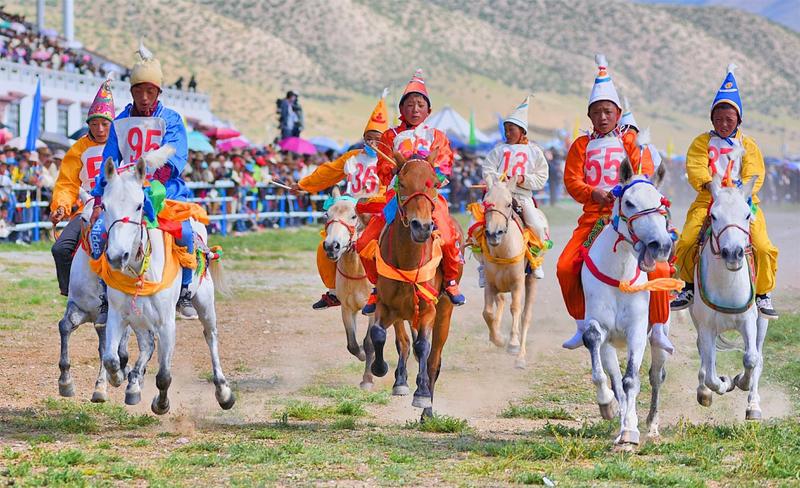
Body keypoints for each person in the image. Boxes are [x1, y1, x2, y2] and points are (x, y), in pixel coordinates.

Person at [557, 55, 674, 353]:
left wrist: (626, 193)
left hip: (630, 215)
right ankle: (582, 324)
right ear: (590, 116)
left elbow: (645, 176)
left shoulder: (630, 142)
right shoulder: (580, 145)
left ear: (618, 113)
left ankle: (658, 327)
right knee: (565, 267)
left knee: (659, 270)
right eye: (596, 112)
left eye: (608, 111)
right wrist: (592, 192)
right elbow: (572, 181)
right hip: (594, 218)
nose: (603, 117)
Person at [91, 41, 197, 319]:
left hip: (164, 190)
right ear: (132, 92)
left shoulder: (171, 119)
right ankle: (106, 294)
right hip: (126, 192)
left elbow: (177, 153)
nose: (145, 97)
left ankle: (184, 292)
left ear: (158, 92)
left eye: (150, 91)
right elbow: (109, 160)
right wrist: (101, 197)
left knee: (185, 232)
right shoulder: (120, 121)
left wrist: (158, 175)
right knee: (101, 233)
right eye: (140, 91)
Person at [671, 64, 778, 319]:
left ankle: (763, 294)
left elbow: (755, 173)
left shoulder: (748, 144)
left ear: (739, 120)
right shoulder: (701, 142)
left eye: (729, 119)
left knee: (762, 246)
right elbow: (696, 167)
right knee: (685, 241)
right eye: (718, 119)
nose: (723, 124)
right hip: (709, 199)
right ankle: (687, 287)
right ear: (711, 119)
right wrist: (712, 186)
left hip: (743, 202)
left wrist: (740, 192)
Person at [357, 69, 465, 314]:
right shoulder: (389, 136)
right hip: (398, 198)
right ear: (401, 109)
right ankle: (377, 288)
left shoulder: (437, 136)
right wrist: (395, 170)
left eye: (420, 105)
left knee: (449, 238)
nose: (415, 109)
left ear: (428, 110)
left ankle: (449, 282)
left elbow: (445, 167)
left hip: (429, 199)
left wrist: (427, 176)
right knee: (364, 242)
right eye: (409, 104)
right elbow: (383, 170)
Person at [293, 90, 389, 309]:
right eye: (369, 138)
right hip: (348, 209)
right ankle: (334, 291)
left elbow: (388, 190)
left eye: (378, 139)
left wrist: (371, 203)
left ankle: (382, 289)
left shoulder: (389, 162)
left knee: (382, 247)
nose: (373, 143)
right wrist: (303, 185)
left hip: (376, 212)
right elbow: (327, 173)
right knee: (323, 246)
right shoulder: (351, 158)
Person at [50, 79, 114, 312]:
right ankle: (72, 295)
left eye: (104, 124)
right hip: (88, 207)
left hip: (119, 206)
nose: (99, 129)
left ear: (112, 124)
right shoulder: (78, 149)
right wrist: (61, 206)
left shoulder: (121, 145)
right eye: (95, 124)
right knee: (60, 249)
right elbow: (67, 183)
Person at [480, 95, 549, 281]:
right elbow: (487, 170)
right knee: (477, 225)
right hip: (498, 196)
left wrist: (521, 179)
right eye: (505, 129)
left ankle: (535, 261)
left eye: (511, 129)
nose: (507, 133)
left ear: (522, 131)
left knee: (536, 224)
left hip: (522, 196)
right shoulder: (498, 150)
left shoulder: (534, 151)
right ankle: (483, 266)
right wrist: (499, 180)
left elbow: (542, 177)